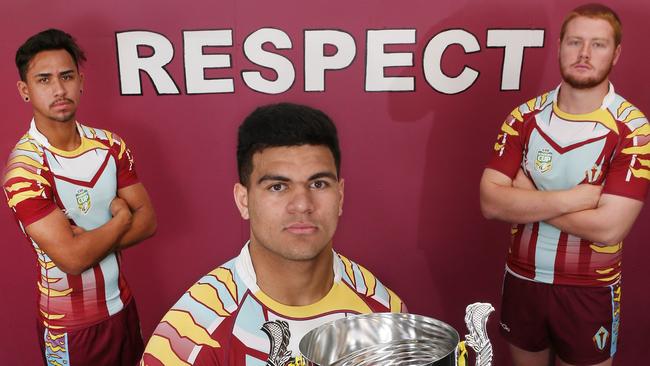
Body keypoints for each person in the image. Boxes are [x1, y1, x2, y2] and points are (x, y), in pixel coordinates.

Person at [141, 103, 405, 365]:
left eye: (318, 183)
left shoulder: (383, 309)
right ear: (243, 201)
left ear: (340, 196)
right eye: (278, 187)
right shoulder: (191, 336)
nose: (302, 204)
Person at [480, 4, 649, 366]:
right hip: (522, 281)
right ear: (559, 45)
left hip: (589, 290)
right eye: (575, 42)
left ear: (616, 53)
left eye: (598, 44)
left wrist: (527, 198)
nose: (584, 53)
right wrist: (577, 198)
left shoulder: (632, 128)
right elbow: (491, 202)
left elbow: (608, 228)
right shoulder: (524, 117)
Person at [3, 29, 157, 365]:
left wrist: (90, 242)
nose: (59, 89)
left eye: (67, 76)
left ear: (81, 81)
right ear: (25, 91)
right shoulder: (25, 170)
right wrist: (120, 217)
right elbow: (72, 259)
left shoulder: (110, 145)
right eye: (44, 80)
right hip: (69, 327)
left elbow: (149, 222)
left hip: (123, 307)